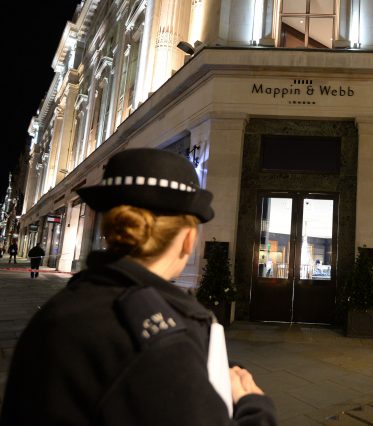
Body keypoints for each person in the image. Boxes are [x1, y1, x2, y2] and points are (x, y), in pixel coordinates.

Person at [1, 148, 277, 425]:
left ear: (108, 230)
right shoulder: (164, 341)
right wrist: (253, 404)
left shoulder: (59, 309)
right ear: (189, 239)